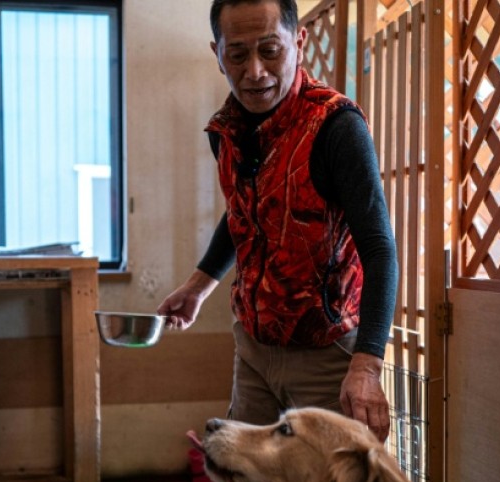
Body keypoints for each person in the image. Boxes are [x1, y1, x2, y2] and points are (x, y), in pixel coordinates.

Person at [157, 0, 398, 442]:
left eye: (270, 50)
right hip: (253, 349)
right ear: (218, 55)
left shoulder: (336, 127)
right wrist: (198, 286)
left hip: (328, 354)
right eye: (237, 54)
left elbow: (380, 248)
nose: (255, 71)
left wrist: (366, 365)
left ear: (298, 43)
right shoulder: (227, 131)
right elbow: (244, 215)